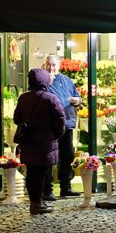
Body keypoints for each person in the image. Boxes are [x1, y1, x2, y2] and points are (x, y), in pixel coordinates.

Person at [14, 68, 66, 215]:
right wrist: (55, 136)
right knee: (42, 172)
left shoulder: (23, 98)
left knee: (31, 172)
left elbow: (17, 119)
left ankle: (34, 202)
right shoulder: (50, 98)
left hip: (28, 141)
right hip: (45, 142)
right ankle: (38, 203)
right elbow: (60, 121)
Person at [44, 54, 81, 199]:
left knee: (68, 155)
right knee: (49, 157)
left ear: (59, 65)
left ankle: (65, 186)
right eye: (49, 64)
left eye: (54, 65)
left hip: (67, 123)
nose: (51, 68)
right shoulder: (43, 80)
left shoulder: (66, 80)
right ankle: (47, 190)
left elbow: (77, 96)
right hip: (51, 126)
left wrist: (77, 100)